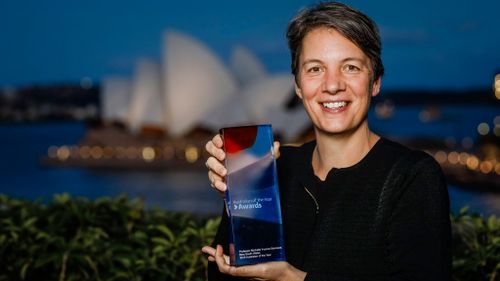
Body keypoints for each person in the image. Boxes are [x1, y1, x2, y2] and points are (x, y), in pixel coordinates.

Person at [202, 2, 452, 280]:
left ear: (376, 81)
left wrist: (292, 278)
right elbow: (222, 276)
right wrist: (238, 206)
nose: (332, 85)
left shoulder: (411, 177)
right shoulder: (275, 167)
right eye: (315, 69)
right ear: (297, 86)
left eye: (351, 67)